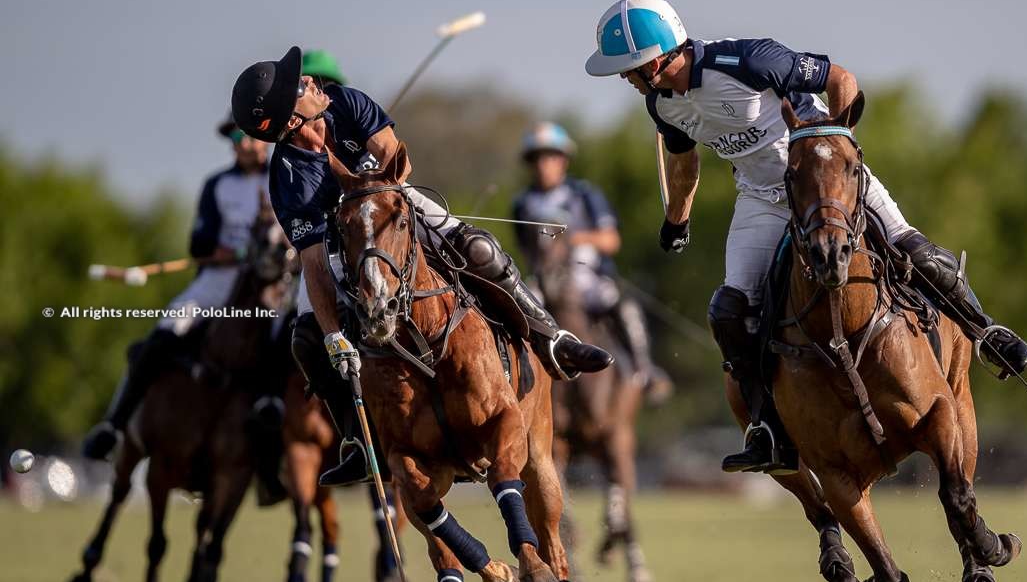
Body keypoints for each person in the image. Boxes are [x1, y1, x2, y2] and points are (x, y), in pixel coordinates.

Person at [584, 0, 1027, 474]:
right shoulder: (662, 105)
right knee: (730, 310)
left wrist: (835, 147)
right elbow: (684, 161)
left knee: (913, 250)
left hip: (826, 183)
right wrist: (677, 219)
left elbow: (841, 79)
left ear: (655, 58)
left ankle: (985, 332)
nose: (624, 79)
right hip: (762, 198)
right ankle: (766, 426)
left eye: (628, 69)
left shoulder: (747, 59)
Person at [230, 47, 612, 486]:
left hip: (394, 208)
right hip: (340, 243)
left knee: (480, 248)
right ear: (290, 120)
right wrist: (335, 336)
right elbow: (314, 263)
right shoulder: (289, 175)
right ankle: (357, 438)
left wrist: (372, 182)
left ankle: (551, 339)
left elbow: (400, 160)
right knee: (305, 340)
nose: (311, 83)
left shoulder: (346, 102)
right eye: (299, 86)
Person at [82, 115, 279, 481]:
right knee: (164, 332)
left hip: (274, 282)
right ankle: (113, 425)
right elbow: (199, 243)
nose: (247, 144)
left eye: (252, 137)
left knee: (297, 337)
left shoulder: (282, 174)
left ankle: (280, 437)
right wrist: (222, 250)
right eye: (239, 138)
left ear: (264, 140)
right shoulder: (216, 185)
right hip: (219, 280)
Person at [512, 122, 673, 401]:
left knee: (624, 305)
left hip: (587, 276)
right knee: (515, 310)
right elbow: (525, 251)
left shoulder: (584, 194)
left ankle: (645, 370)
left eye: (550, 156)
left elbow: (611, 240)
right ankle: (515, 378)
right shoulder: (523, 202)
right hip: (545, 279)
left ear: (563, 160)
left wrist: (570, 238)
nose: (543, 164)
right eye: (536, 158)